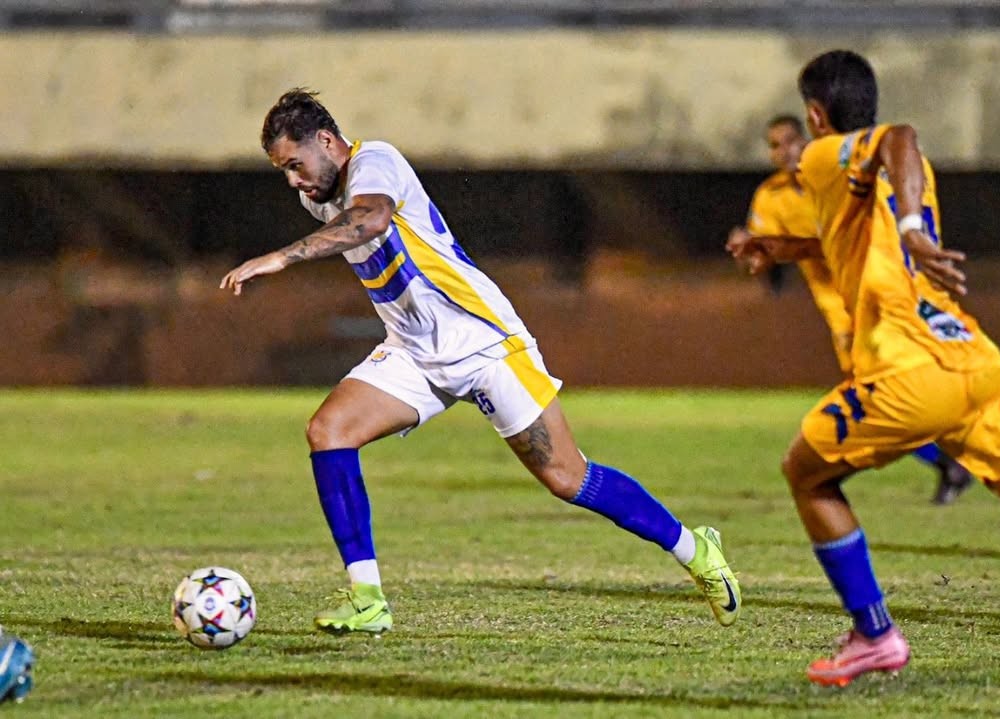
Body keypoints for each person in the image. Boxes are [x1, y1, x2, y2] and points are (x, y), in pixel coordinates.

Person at [220, 89, 741, 634]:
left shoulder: (376, 162)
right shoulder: (318, 195)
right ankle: (368, 597)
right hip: (414, 352)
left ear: (327, 141)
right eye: (284, 171)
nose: (294, 182)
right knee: (328, 431)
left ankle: (693, 546)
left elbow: (370, 222)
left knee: (567, 478)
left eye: (295, 165)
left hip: (484, 344)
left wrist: (279, 257)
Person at [727, 50, 1000, 686]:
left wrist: (914, 230)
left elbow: (900, 135)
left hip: (912, 367)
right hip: (973, 358)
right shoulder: (906, 173)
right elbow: (862, 230)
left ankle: (873, 634)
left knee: (805, 475)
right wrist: (780, 246)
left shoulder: (821, 155)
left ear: (814, 114)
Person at [728, 114, 974, 506]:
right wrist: (746, 250)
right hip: (838, 311)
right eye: (774, 145)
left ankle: (955, 459)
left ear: (807, 137)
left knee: (881, 394)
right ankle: (954, 458)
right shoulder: (769, 197)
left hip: (877, 298)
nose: (784, 152)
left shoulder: (829, 176)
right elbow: (761, 259)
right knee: (882, 392)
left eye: (790, 141)